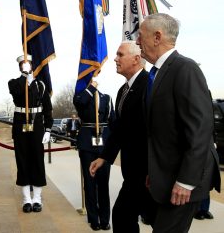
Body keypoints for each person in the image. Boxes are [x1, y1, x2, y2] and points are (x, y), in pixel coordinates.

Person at [136, 13, 221, 232]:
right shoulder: (158, 73)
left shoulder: (185, 68)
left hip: (186, 179)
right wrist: (154, 173)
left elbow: (200, 130)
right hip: (166, 175)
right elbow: (162, 132)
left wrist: (186, 181)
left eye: (140, 35)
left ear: (157, 37)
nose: (137, 42)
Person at [90, 41, 156, 232]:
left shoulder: (149, 85)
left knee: (157, 222)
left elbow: (156, 132)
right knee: (123, 216)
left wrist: (154, 169)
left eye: (120, 55)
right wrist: (104, 157)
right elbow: (120, 129)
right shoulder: (123, 90)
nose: (115, 59)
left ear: (136, 59)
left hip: (148, 173)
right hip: (133, 173)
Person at [8, 55, 53, 213]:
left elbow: (47, 109)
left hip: (37, 125)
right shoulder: (14, 83)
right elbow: (18, 93)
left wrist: (48, 128)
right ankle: (26, 199)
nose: (25, 65)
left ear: (33, 65)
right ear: (20, 66)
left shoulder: (41, 85)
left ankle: (37, 199)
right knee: (23, 161)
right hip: (21, 124)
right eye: (22, 64)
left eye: (27, 64)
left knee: (37, 161)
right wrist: (25, 77)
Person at [73, 77, 115, 231]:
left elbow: (113, 121)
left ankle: (105, 219)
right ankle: (93, 218)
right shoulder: (81, 97)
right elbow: (80, 103)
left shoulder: (107, 98)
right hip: (87, 145)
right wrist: (90, 89)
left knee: (103, 183)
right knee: (90, 183)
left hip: (103, 145)